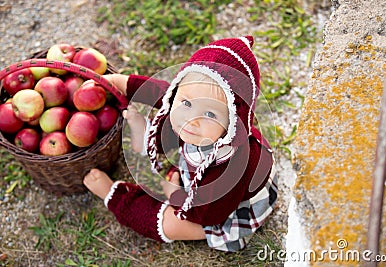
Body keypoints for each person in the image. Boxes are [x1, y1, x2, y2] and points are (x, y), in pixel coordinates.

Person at [83, 36, 278, 252]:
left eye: (210, 113)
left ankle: (114, 194)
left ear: (234, 120)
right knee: (172, 122)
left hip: (227, 208)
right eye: (186, 102)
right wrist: (123, 83)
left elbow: (207, 215)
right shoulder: (197, 120)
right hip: (206, 166)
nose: (191, 120)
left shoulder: (230, 166)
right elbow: (160, 92)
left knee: (172, 223)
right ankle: (146, 133)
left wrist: (174, 194)